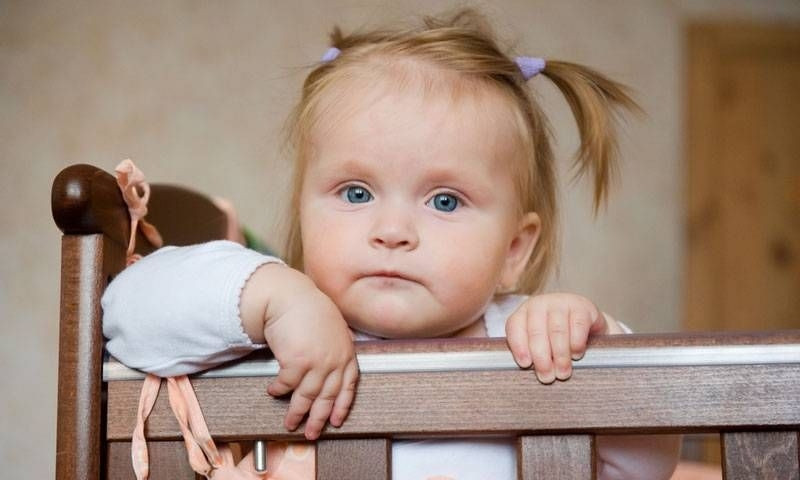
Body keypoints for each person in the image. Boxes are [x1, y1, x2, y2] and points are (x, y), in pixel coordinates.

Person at [102, 9, 680, 479]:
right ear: (304, 210)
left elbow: (650, 459)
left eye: (445, 201)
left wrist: (590, 345)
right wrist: (274, 296)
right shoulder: (275, 326)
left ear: (514, 250)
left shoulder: (525, 346)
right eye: (356, 193)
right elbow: (124, 312)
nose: (393, 230)